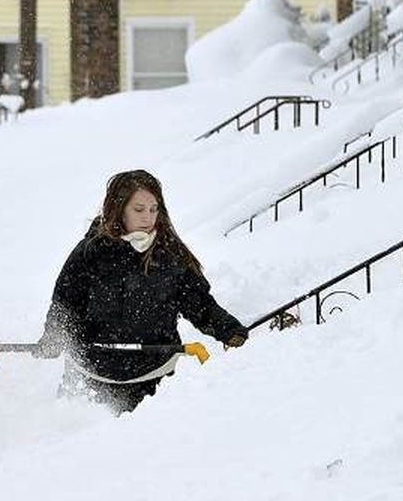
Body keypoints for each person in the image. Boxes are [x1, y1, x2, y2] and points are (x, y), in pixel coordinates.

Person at [36, 170, 249, 414]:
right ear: (119, 209)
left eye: (153, 209)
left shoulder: (170, 256)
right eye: (139, 210)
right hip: (89, 377)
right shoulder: (91, 252)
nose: (148, 217)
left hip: (154, 381)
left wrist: (228, 330)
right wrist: (55, 336)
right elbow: (65, 304)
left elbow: (199, 304)